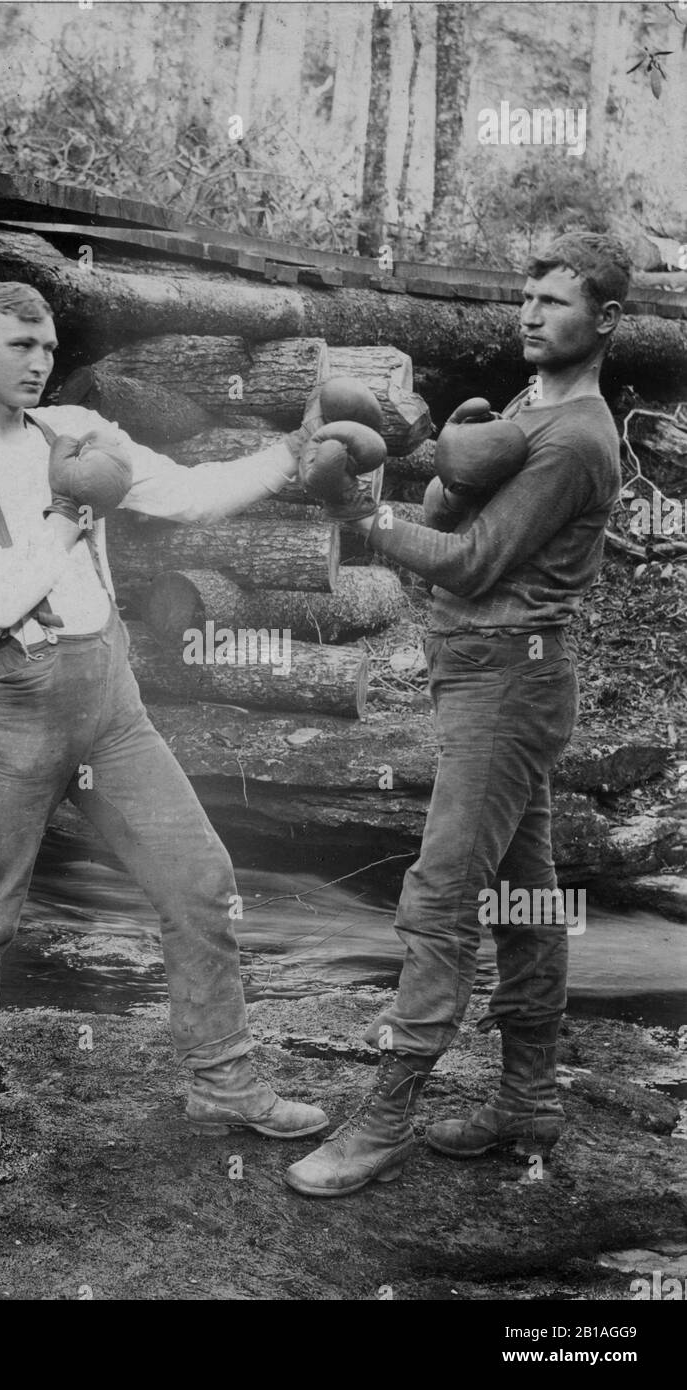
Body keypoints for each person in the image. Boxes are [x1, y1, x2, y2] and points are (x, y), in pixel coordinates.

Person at [0, 280, 329, 1158]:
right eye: (19, 344)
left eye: (49, 346)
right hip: (12, 700)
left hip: (109, 700)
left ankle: (222, 1078)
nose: (39, 360)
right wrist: (65, 516)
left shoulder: (80, 432)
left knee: (199, 874)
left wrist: (290, 454)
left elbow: (189, 495)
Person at [285, 232, 630, 1198]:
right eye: (526, 295)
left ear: (604, 321)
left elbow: (475, 561)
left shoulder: (578, 434)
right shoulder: (532, 404)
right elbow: (453, 508)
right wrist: (426, 461)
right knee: (525, 893)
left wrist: (366, 523)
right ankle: (526, 1105)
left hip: (507, 679)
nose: (530, 312)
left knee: (442, 895)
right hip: (488, 672)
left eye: (556, 301)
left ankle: (386, 1117)